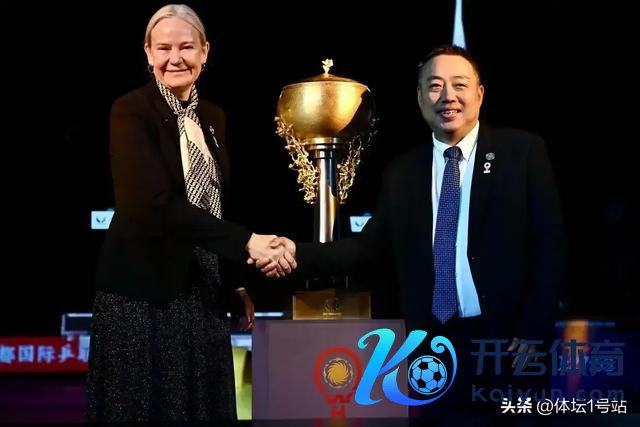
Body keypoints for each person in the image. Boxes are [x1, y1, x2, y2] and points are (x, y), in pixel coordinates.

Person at [255, 44, 566, 414]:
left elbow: (550, 247)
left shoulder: (522, 152)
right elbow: (367, 249)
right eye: (434, 86)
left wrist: (533, 329)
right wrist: (294, 251)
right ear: (419, 98)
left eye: (459, 85)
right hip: (429, 350)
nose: (447, 96)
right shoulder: (402, 172)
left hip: (508, 344)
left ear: (480, 94)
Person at [86, 4, 295, 422]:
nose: (175, 58)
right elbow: (152, 203)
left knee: (203, 407)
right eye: (163, 48)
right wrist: (248, 243)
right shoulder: (131, 110)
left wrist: (235, 284)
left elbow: (218, 203)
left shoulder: (213, 117)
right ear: (148, 53)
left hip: (205, 288)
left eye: (186, 47)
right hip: (143, 294)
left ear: (205, 52)